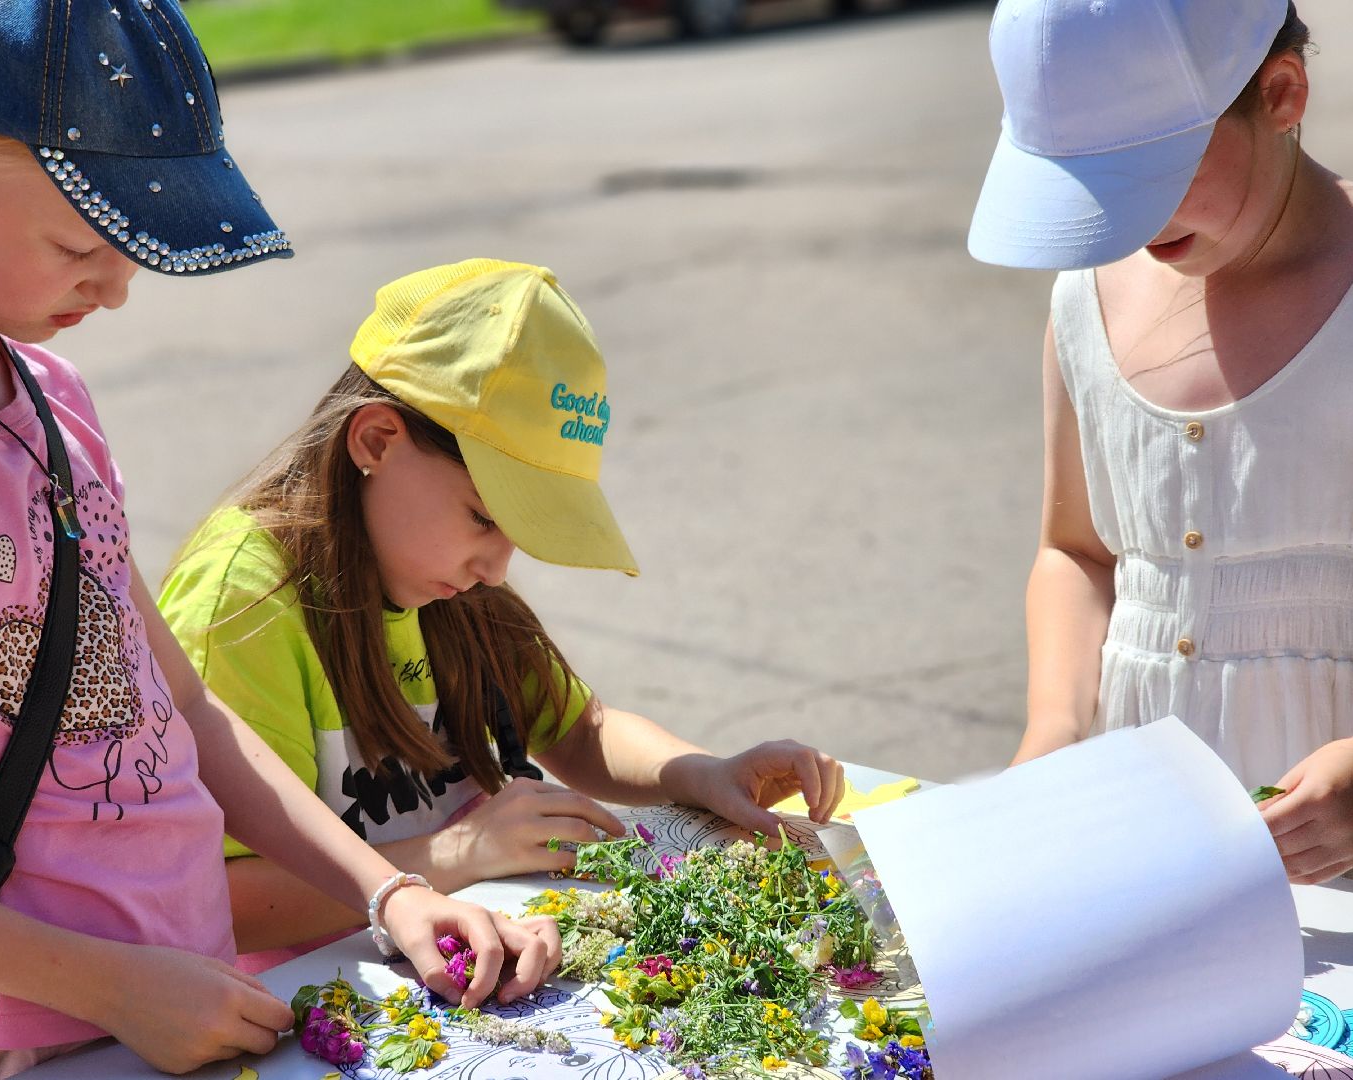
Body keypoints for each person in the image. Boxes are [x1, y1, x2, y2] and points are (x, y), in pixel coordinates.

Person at [0, 6, 557, 1079]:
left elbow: (179, 704)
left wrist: (392, 890)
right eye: (81, 241)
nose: (118, 283)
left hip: (174, 1003)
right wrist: (108, 983)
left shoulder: (50, 400)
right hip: (33, 1031)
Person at [158, 258, 848, 962]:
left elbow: (582, 730)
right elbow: (222, 903)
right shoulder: (245, 600)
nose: (496, 568)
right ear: (375, 441)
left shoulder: (448, 584)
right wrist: (457, 851)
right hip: (307, 996)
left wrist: (700, 771)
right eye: (485, 519)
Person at [969, 0, 1353, 890]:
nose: (1123, 217)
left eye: (1149, 173)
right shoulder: (1087, 297)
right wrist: (1054, 726)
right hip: (1153, 826)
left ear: (1281, 94)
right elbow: (1077, 550)